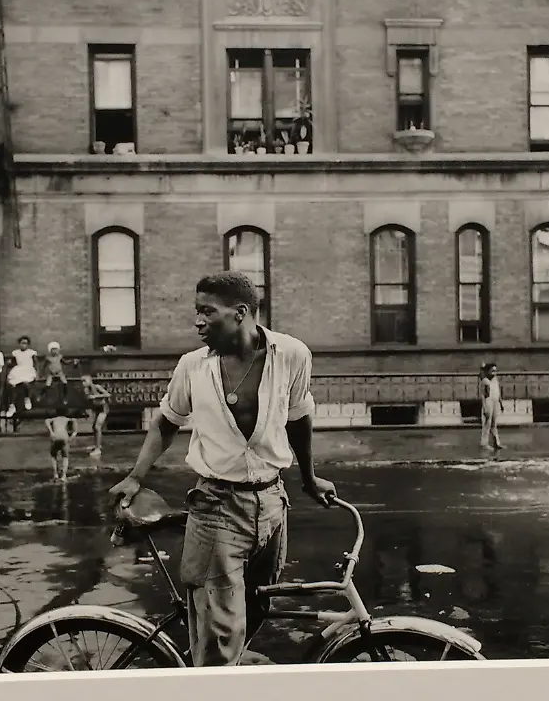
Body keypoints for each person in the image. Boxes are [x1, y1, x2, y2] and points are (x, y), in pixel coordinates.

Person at [108, 271, 336, 667]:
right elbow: (166, 422)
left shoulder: (293, 355)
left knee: (256, 610)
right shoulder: (192, 367)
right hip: (216, 507)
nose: (197, 321)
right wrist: (135, 475)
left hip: (272, 504)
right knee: (219, 640)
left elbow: (299, 418)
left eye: (206, 312)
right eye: (196, 311)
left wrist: (309, 477)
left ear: (240, 313)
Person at [5, 335, 39, 418]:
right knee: (12, 386)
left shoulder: (31, 352)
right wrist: (9, 363)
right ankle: (12, 406)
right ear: (19, 344)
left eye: (25, 343)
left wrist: (37, 373)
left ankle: (27, 399)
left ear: (28, 345)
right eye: (22, 343)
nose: (24, 345)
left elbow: (36, 363)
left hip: (28, 370)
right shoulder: (16, 352)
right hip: (18, 370)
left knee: (25, 383)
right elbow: (13, 362)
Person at [81, 374, 110, 458]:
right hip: (96, 409)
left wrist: (95, 396)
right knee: (94, 427)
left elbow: (108, 394)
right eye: (82, 381)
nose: (83, 383)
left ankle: (98, 449)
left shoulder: (97, 387)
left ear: (90, 381)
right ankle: (97, 445)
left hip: (103, 409)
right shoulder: (86, 391)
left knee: (97, 427)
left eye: (84, 381)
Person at [45, 406, 77, 482]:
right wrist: (72, 436)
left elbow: (46, 421)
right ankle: (63, 476)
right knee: (65, 456)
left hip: (55, 436)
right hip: (64, 437)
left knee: (53, 455)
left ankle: (55, 474)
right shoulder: (67, 419)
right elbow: (75, 427)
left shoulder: (54, 419)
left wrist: (51, 431)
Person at [480, 362, 504, 452]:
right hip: (488, 402)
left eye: (495, 371)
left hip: (495, 402)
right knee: (487, 423)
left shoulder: (495, 380)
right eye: (492, 371)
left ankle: (496, 442)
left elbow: (498, 393)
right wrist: (485, 407)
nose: (494, 373)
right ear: (488, 371)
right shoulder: (485, 381)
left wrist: (501, 403)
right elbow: (485, 396)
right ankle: (484, 443)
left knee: (494, 423)